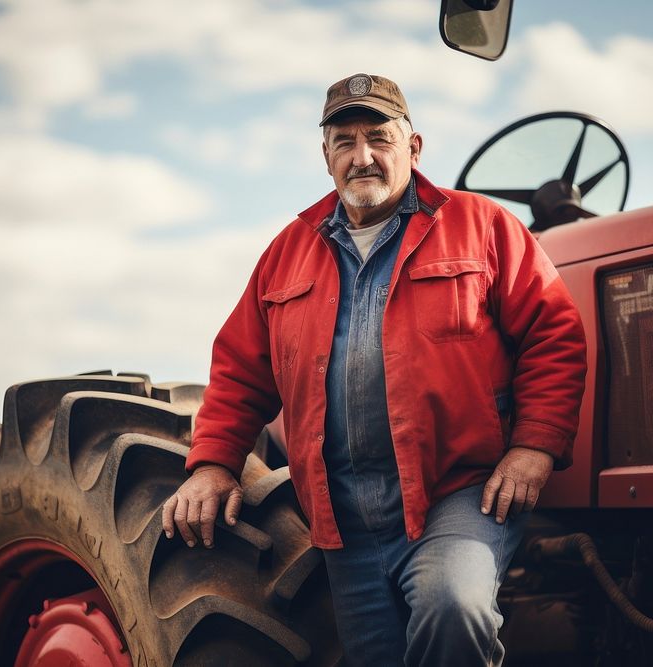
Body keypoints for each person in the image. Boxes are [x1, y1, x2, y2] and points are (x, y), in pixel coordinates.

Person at [162, 73, 587, 665]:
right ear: (326, 157)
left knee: (453, 607)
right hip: (344, 518)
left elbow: (553, 332)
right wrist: (212, 465)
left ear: (413, 147)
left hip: (457, 494)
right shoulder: (288, 252)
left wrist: (534, 446)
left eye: (378, 138)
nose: (362, 157)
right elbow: (240, 369)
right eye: (345, 141)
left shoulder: (481, 227)